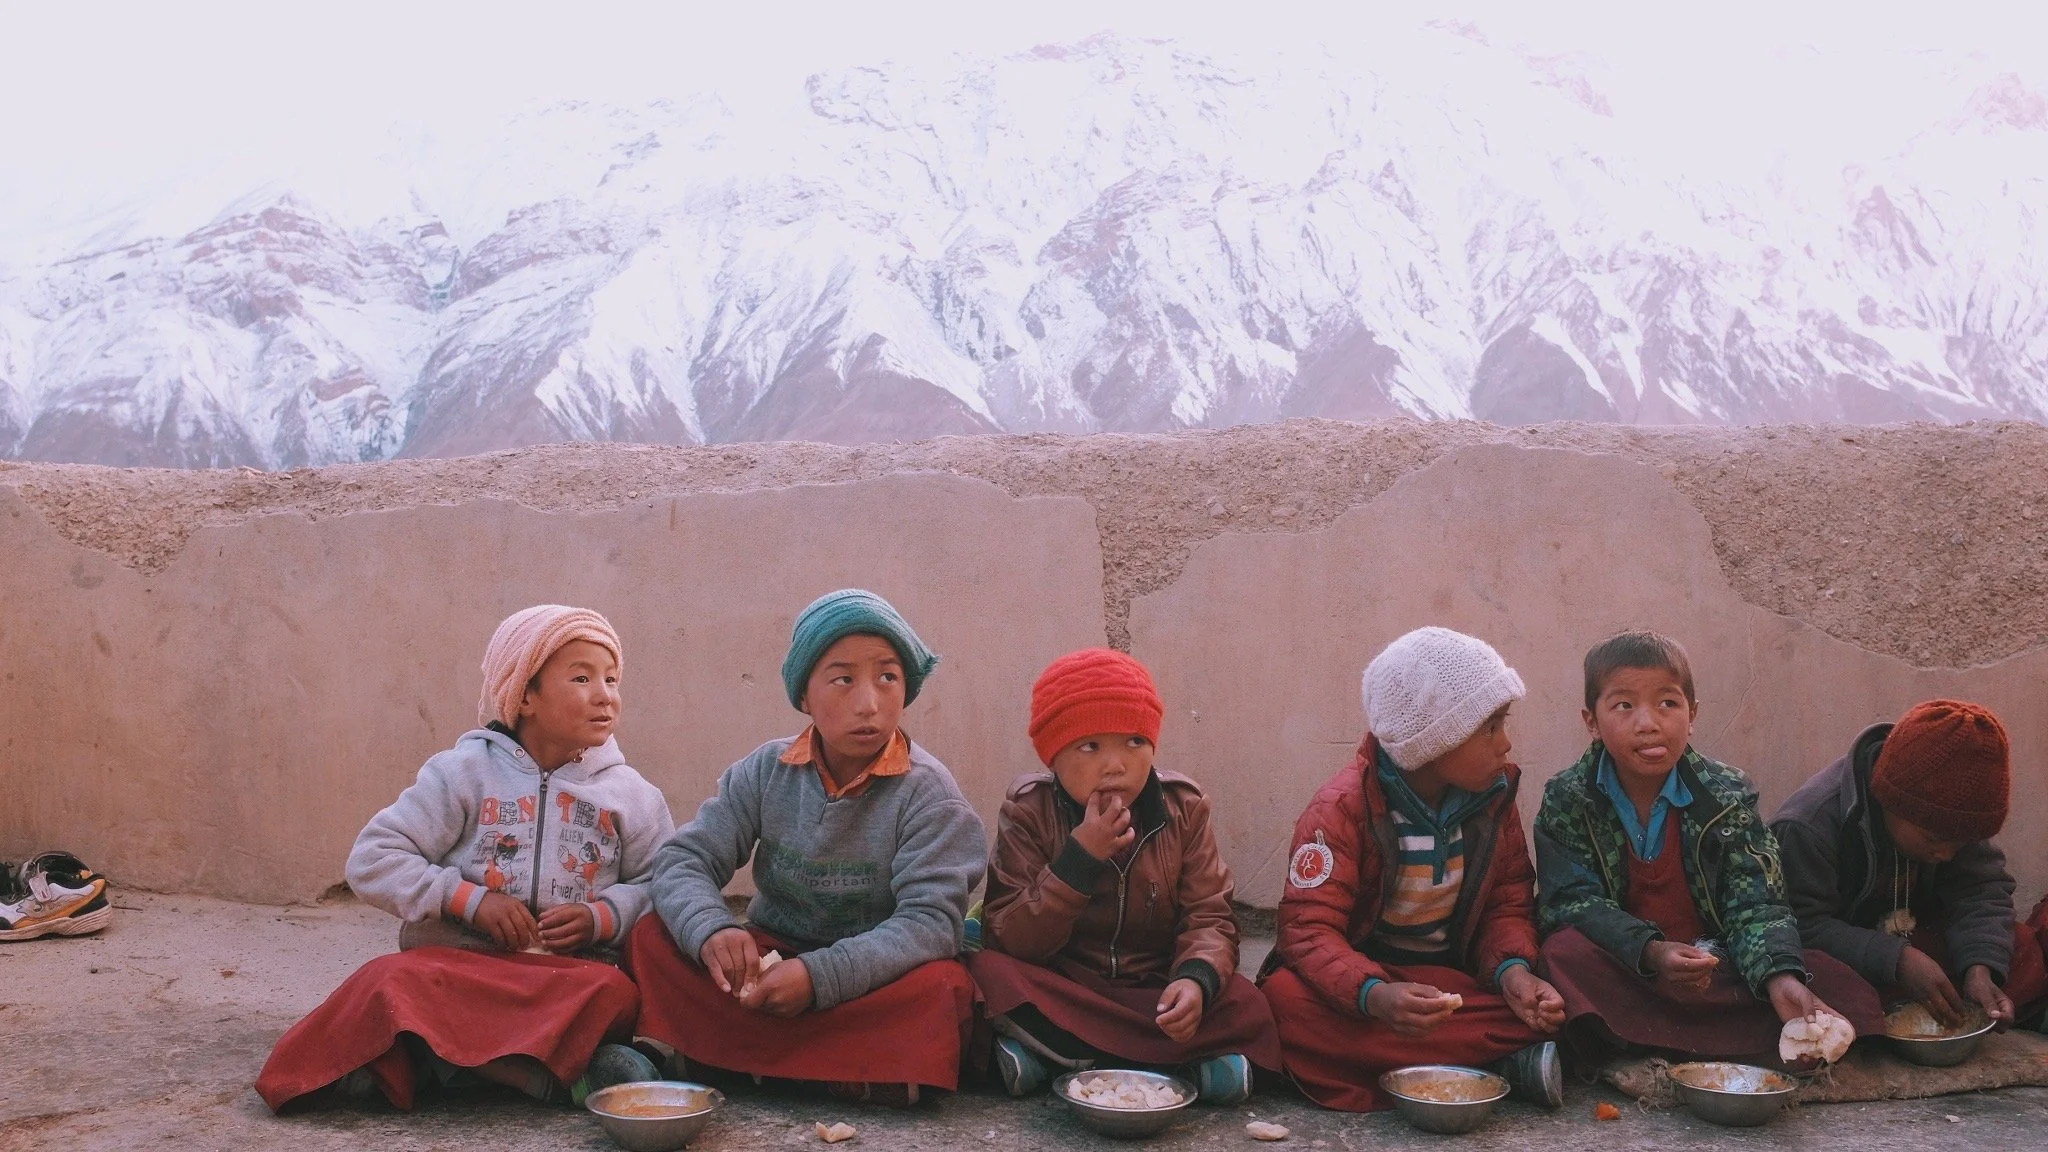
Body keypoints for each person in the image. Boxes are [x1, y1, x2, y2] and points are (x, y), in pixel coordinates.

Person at [257, 606, 674, 1111]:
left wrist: (601, 917)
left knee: (616, 994)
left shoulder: (633, 795)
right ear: (524, 695)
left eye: (611, 679)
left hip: (566, 974)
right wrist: (469, 901)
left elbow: (661, 883)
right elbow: (372, 859)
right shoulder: (461, 774)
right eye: (581, 678)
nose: (605, 695)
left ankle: (447, 1062)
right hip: (467, 966)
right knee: (389, 981)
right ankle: (541, 1076)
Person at [626, 589, 987, 1106]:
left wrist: (821, 978)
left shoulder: (929, 794)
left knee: (944, 987)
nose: (869, 703)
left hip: (868, 974)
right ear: (803, 697)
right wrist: (714, 928)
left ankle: (721, 1058)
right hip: (769, 957)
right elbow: (684, 860)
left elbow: (929, 924)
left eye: (888, 677)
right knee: (652, 934)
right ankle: (850, 1072)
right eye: (843, 679)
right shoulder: (764, 772)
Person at [1535, 631, 1880, 1067]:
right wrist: (1650, 951)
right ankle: (1722, 1043)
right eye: (1624, 705)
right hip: (1628, 965)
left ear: (1692, 714)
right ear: (1592, 722)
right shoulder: (1570, 797)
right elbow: (1569, 901)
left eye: (1668, 703)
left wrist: (1779, 977)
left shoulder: (1727, 795)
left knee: (1832, 980)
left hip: (1714, 963)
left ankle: (1641, 1041)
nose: (1648, 723)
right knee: (1563, 955)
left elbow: (1758, 901)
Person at [1260, 626, 1566, 1113]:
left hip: (1450, 982)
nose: (1505, 744)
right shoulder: (1341, 810)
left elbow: (1507, 902)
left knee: (1557, 997)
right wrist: (1375, 994)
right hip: (1368, 980)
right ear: (1436, 739)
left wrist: (1513, 974)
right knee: (1281, 1003)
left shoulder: (1493, 798)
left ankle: (1409, 1063)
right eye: (1491, 727)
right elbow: (1308, 931)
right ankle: (1500, 1064)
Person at [968, 649, 1282, 1103]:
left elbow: (1210, 917)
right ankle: (1181, 1063)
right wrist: (1078, 861)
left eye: (1134, 741)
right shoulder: (1029, 810)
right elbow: (1011, 936)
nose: (1115, 765)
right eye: (1090, 746)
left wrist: (1194, 980)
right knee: (988, 972)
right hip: (1068, 985)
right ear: (1053, 756)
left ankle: (1060, 1058)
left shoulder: (1184, 808)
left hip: (1154, 988)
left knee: (1246, 1001)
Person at [1772, 699, 2048, 1029]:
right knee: (1825, 981)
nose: (1946, 854)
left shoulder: (1956, 818)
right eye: (1933, 840)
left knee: (2019, 949)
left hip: (1920, 944)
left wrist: (1980, 966)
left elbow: (1982, 890)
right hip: (1848, 956)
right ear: (1891, 802)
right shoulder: (1809, 824)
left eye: (1958, 844)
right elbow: (1801, 926)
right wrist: (1896, 959)